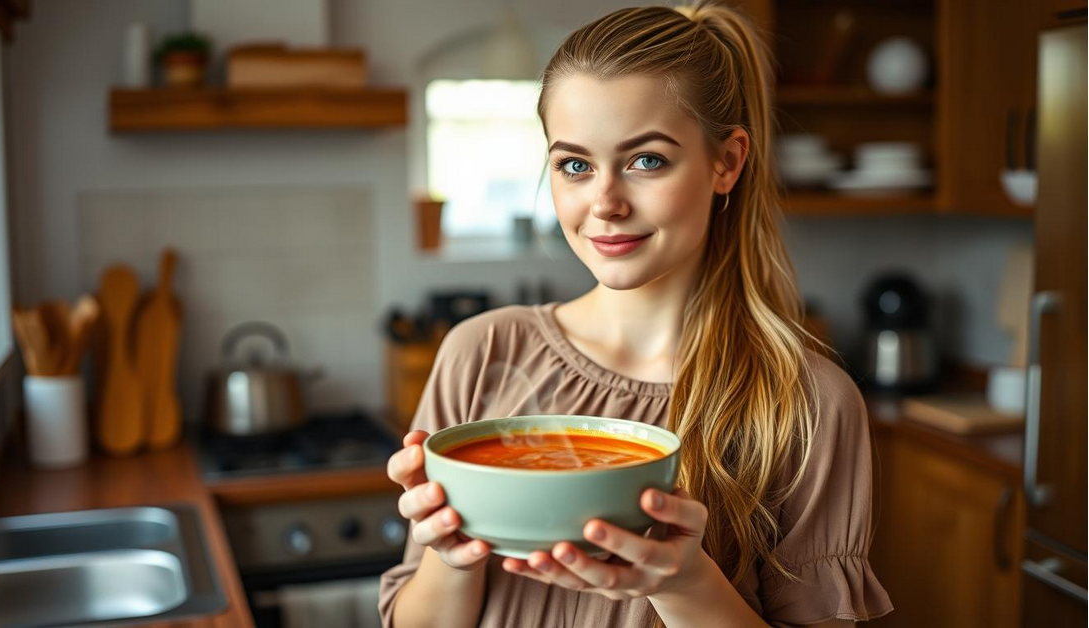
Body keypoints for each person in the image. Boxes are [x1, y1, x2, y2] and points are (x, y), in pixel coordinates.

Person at [379, 2, 893, 626]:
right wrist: (450, 556)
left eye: (647, 160)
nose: (605, 203)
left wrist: (685, 583)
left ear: (727, 162)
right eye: (575, 165)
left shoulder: (809, 406)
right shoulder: (481, 352)